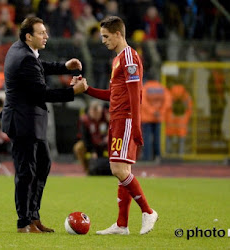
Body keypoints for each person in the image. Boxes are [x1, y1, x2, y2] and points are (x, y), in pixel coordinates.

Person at [1, 16, 88, 234]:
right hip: (24, 122)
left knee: (41, 166)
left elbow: (40, 66)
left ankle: (33, 217)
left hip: (29, 121)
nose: (46, 36)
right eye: (41, 33)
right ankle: (24, 223)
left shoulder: (20, 50)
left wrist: (64, 66)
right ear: (29, 36)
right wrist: (72, 92)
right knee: (26, 172)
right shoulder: (25, 58)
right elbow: (42, 93)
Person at [83, 16, 158, 235]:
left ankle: (148, 211)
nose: (103, 40)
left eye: (106, 36)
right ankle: (122, 224)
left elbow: (136, 94)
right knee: (122, 170)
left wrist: (136, 124)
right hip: (117, 118)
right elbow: (114, 95)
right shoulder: (117, 59)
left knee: (117, 169)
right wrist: (87, 89)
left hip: (125, 119)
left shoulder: (129, 57)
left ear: (118, 34)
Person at [73, 100, 109, 174]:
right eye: (94, 113)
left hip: (106, 144)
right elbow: (85, 138)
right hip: (92, 144)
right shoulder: (85, 120)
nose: (96, 115)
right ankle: (87, 170)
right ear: (90, 111)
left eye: (98, 113)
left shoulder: (108, 117)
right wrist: (92, 151)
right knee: (78, 147)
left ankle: (118, 168)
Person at [141, 79, 171, 161]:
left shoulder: (145, 87)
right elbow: (168, 101)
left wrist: (152, 111)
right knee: (157, 138)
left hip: (147, 117)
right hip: (158, 117)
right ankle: (157, 156)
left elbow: (143, 101)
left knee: (146, 138)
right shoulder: (161, 87)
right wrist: (160, 112)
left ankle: (147, 157)